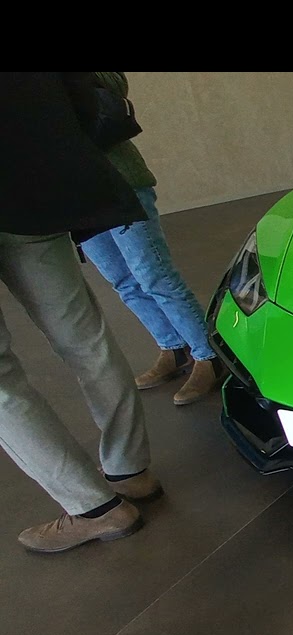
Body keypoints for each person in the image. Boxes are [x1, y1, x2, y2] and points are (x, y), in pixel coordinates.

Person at [0, 72, 162, 553]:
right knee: (84, 340)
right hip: (29, 193)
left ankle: (94, 508)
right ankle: (130, 470)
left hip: (27, 189)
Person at [80, 72, 226, 406]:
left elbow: (116, 84)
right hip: (76, 197)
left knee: (153, 274)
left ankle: (208, 356)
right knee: (123, 281)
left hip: (120, 184)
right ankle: (173, 348)